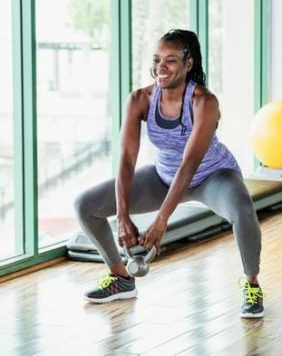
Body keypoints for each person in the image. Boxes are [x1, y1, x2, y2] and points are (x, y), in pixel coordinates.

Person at [74, 29, 264, 318]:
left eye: (171, 60)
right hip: (163, 177)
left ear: (188, 64)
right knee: (85, 205)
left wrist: (161, 220)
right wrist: (122, 216)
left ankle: (252, 284)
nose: (160, 67)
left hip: (210, 176)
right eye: (156, 59)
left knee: (242, 209)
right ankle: (121, 278)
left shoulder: (204, 102)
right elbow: (126, 159)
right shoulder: (140, 99)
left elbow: (190, 164)